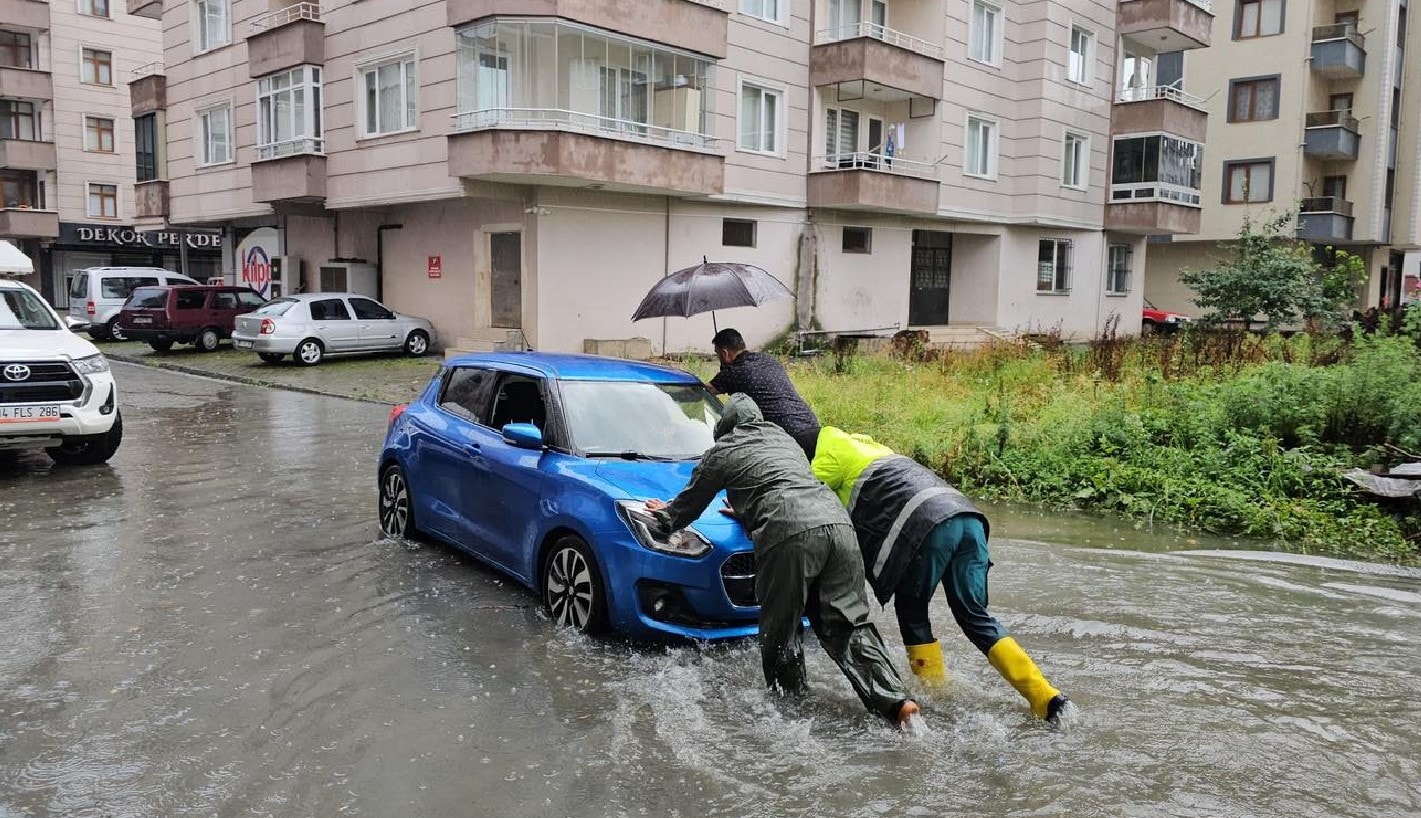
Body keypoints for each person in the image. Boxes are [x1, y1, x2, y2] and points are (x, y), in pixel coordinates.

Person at [645, 395, 920, 728]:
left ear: (726, 428)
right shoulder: (783, 439)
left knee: (781, 629)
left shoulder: (724, 450)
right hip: (838, 525)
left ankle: (789, 713)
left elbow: (690, 503)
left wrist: (662, 516)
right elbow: (783, 483)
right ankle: (898, 704)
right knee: (849, 625)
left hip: (789, 534)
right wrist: (751, 510)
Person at [811, 426, 1072, 724]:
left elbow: (803, 494)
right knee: (974, 615)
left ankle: (935, 695)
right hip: (968, 518)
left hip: (929, 525)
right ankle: (1046, 698)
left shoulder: (827, 449)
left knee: (912, 610)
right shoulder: (875, 449)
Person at [708, 328, 820, 460]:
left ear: (725, 353)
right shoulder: (768, 359)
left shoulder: (732, 372)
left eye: (718, 354)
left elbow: (705, 390)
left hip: (788, 439)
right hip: (813, 428)